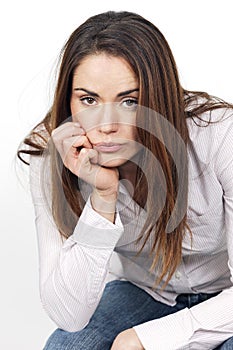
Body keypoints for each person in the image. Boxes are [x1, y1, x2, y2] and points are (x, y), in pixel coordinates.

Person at [18, 10, 233, 350]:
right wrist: (102, 197)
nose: (106, 126)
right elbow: (69, 315)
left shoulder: (220, 135)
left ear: (158, 98)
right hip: (147, 293)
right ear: (68, 99)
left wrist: (147, 339)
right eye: (89, 100)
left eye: (130, 101)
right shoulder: (52, 158)